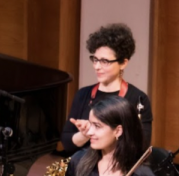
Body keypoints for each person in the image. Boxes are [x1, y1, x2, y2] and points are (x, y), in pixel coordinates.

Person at [61, 23, 152, 156]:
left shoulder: (138, 99)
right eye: (95, 59)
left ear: (123, 63)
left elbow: (141, 148)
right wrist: (85, 134)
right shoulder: (83, 94)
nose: (97, 66)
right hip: (83, 169)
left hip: (119, 170)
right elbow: (67, 143)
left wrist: (99, 131)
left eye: (105, 61)